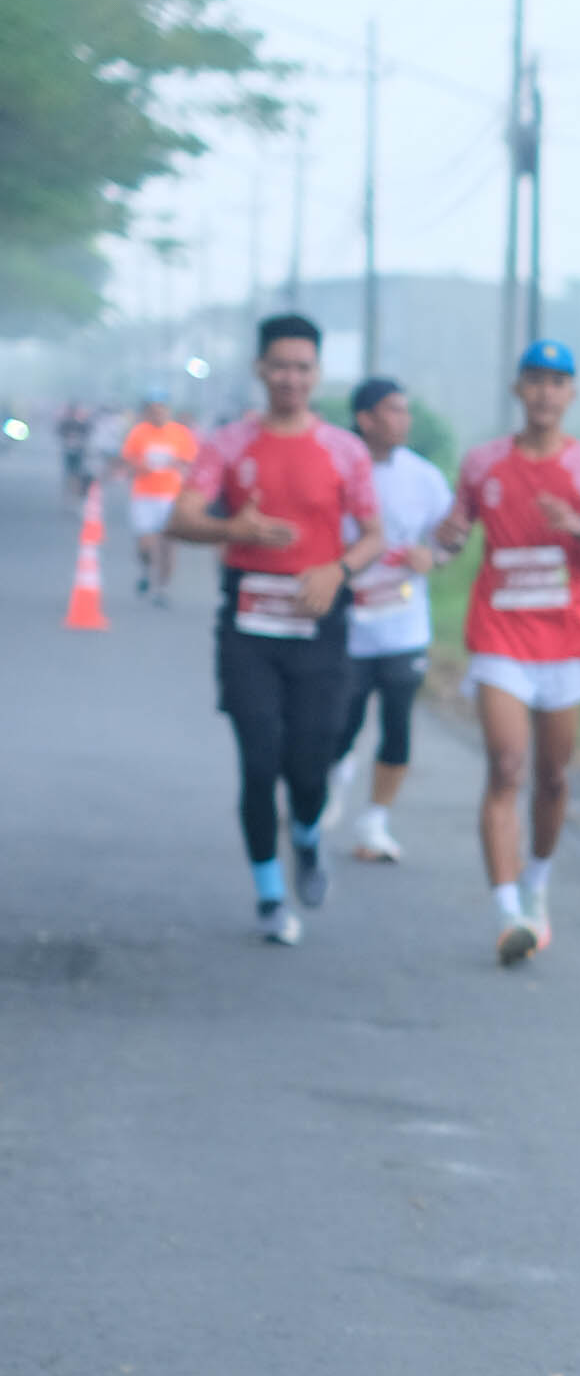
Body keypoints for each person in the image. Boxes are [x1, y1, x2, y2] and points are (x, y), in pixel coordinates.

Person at [168, 312, 382, 946]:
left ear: (318, 374)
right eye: (280, 366)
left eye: (302, 368)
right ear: (260, 369)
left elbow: (374, 536)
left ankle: (308, 837)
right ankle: (268, 894)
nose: (291, 378)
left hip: (318, 626)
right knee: (259, 763)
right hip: (248, 627)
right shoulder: (229, 444)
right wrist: (232, 529)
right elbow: (181, 518)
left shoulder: (344, 450)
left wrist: (338, 570)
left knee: (309, 766)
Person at [433, 340, 580, 967]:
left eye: (557, 382)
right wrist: (442, 543)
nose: (545, 393)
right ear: (517, 389)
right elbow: (453, 536)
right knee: (506, 766)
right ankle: (506, 914)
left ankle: (536, 886)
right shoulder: (483, 464)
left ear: (572, 393)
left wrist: (577, 527)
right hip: (500, 635)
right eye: (535, 381)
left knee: (551, 777)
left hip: (566, 641)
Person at [331, 377, 451, 860]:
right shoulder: (337, 469)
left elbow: (449, 537)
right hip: (348, 625)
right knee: (342, 721)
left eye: (406, 410)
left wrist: (433, 557)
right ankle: (331, 781)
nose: (405, 419)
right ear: (365, 420)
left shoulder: (423, 477)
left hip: (404, 624)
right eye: (393, 410)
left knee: (398, 724)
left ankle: (375, 823)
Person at [120, 390, 201, 599]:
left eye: (161, 409)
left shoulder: (180, 433)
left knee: (168, 543)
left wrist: (178, 465)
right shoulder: (139, 433)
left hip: (171, 496)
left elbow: (190, 462)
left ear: (168, 410)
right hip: (144, 495)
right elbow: (128, 460)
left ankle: (163, 586)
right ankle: (146, 570)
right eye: (153, 410)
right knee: (145, 543)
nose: (158, 414)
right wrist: (140, 467)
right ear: (148, 412)